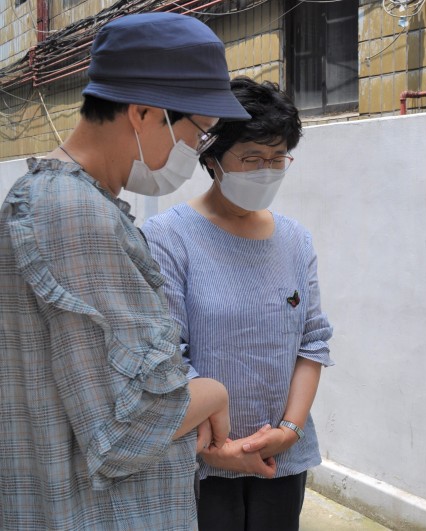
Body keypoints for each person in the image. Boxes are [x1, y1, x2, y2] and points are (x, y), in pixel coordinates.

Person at [0, 12, 274, 530]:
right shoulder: (73, 215)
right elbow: (127, 427)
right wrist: (212, 392)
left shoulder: (66, 201)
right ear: (145, 112)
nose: (196, 152)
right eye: (200, 132)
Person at [141, 77, 334, 531]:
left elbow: (313, 341)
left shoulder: (295, 239)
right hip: (199, 462)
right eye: (251, 158)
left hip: (283, 457)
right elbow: (167, 356)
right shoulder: (168, 239)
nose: (267, 170)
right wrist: (220, 450)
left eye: (277, 158)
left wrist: (289, 430)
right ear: (212, 159)